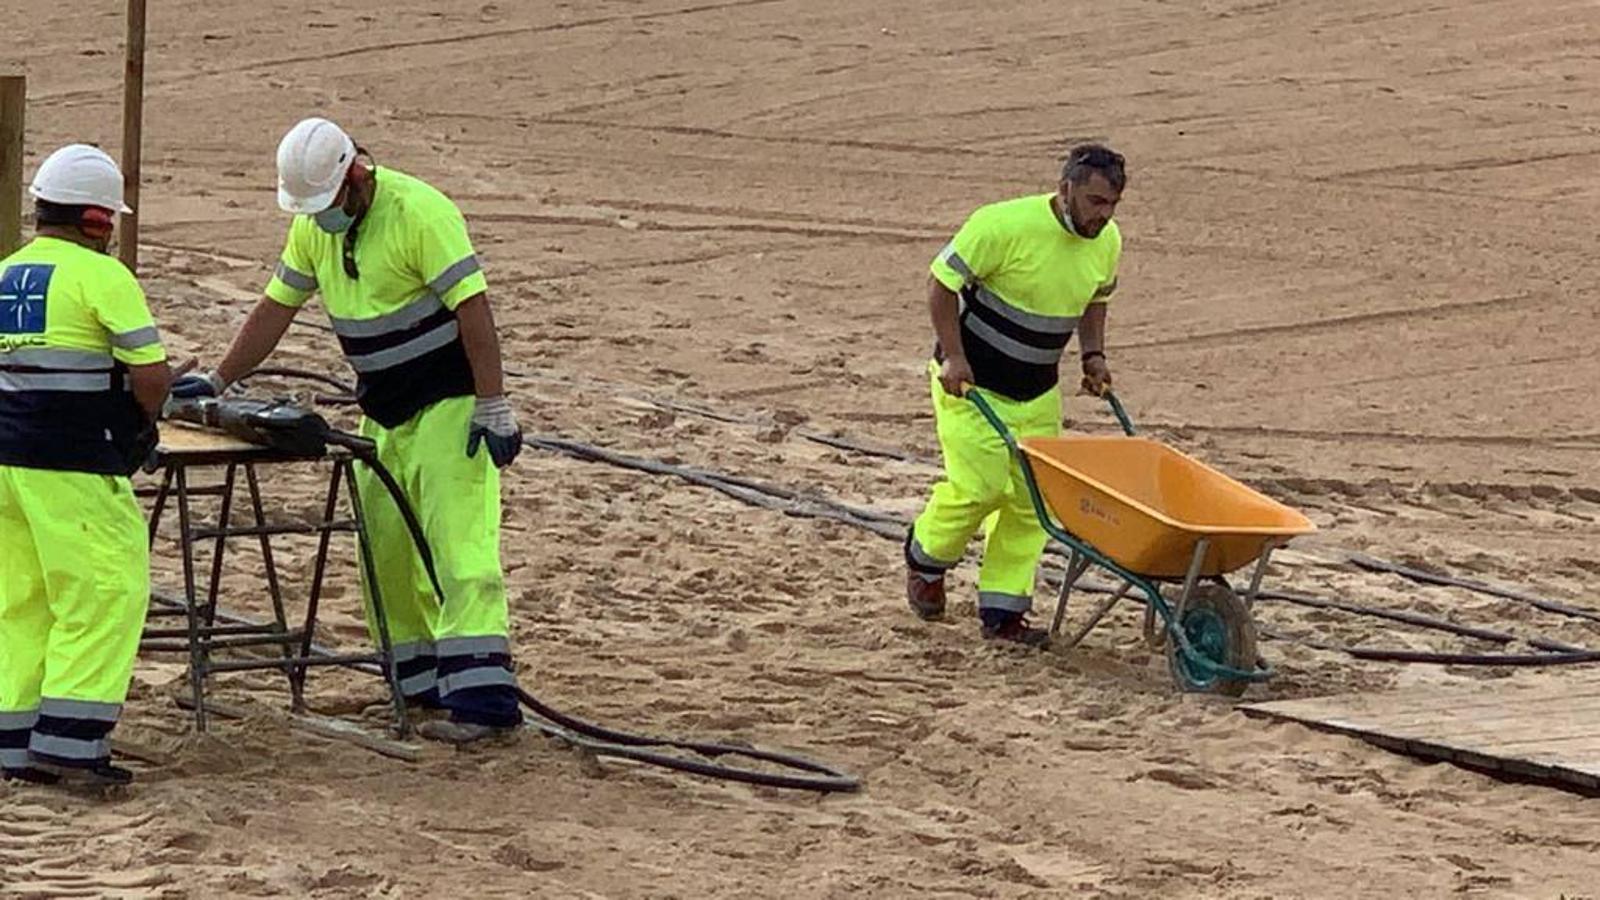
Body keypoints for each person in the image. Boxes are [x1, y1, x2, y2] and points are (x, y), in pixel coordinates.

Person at [172, 117, 524, 743]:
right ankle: (416, 685)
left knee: (457, 548)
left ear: (356, 174)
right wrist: (221, 379)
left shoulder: (422, 213)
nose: (323, 216)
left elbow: (474, 308)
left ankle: (483, 701)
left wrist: (491, 402)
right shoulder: (312, 226)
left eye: (330, 203)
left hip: (447, 406)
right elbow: (276, 307)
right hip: (383, 409)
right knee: (384, 551)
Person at [904, 144, 1126, 647]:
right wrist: (955, 358)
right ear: (1065, 188)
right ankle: (925, 559)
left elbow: (1097, 298)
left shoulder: (1107, 241)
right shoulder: (1001, 225)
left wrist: (1093, 357)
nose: (1102, 216)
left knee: (1031, 502)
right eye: (1094, 202)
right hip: (973, 385)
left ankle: (1003, 613)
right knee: (978, 489)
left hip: (1037, 391)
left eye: (1111, 205)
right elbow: (942, 285)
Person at [0, 144, 173, 785]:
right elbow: (150, 376)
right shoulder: (103, 276)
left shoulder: (7, 272)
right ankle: (72, 746)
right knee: (106, 592)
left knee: (24, 601)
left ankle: (13, 740)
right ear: (98, 221)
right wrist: (139, 428)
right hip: (71, 461)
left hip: (6, 464)